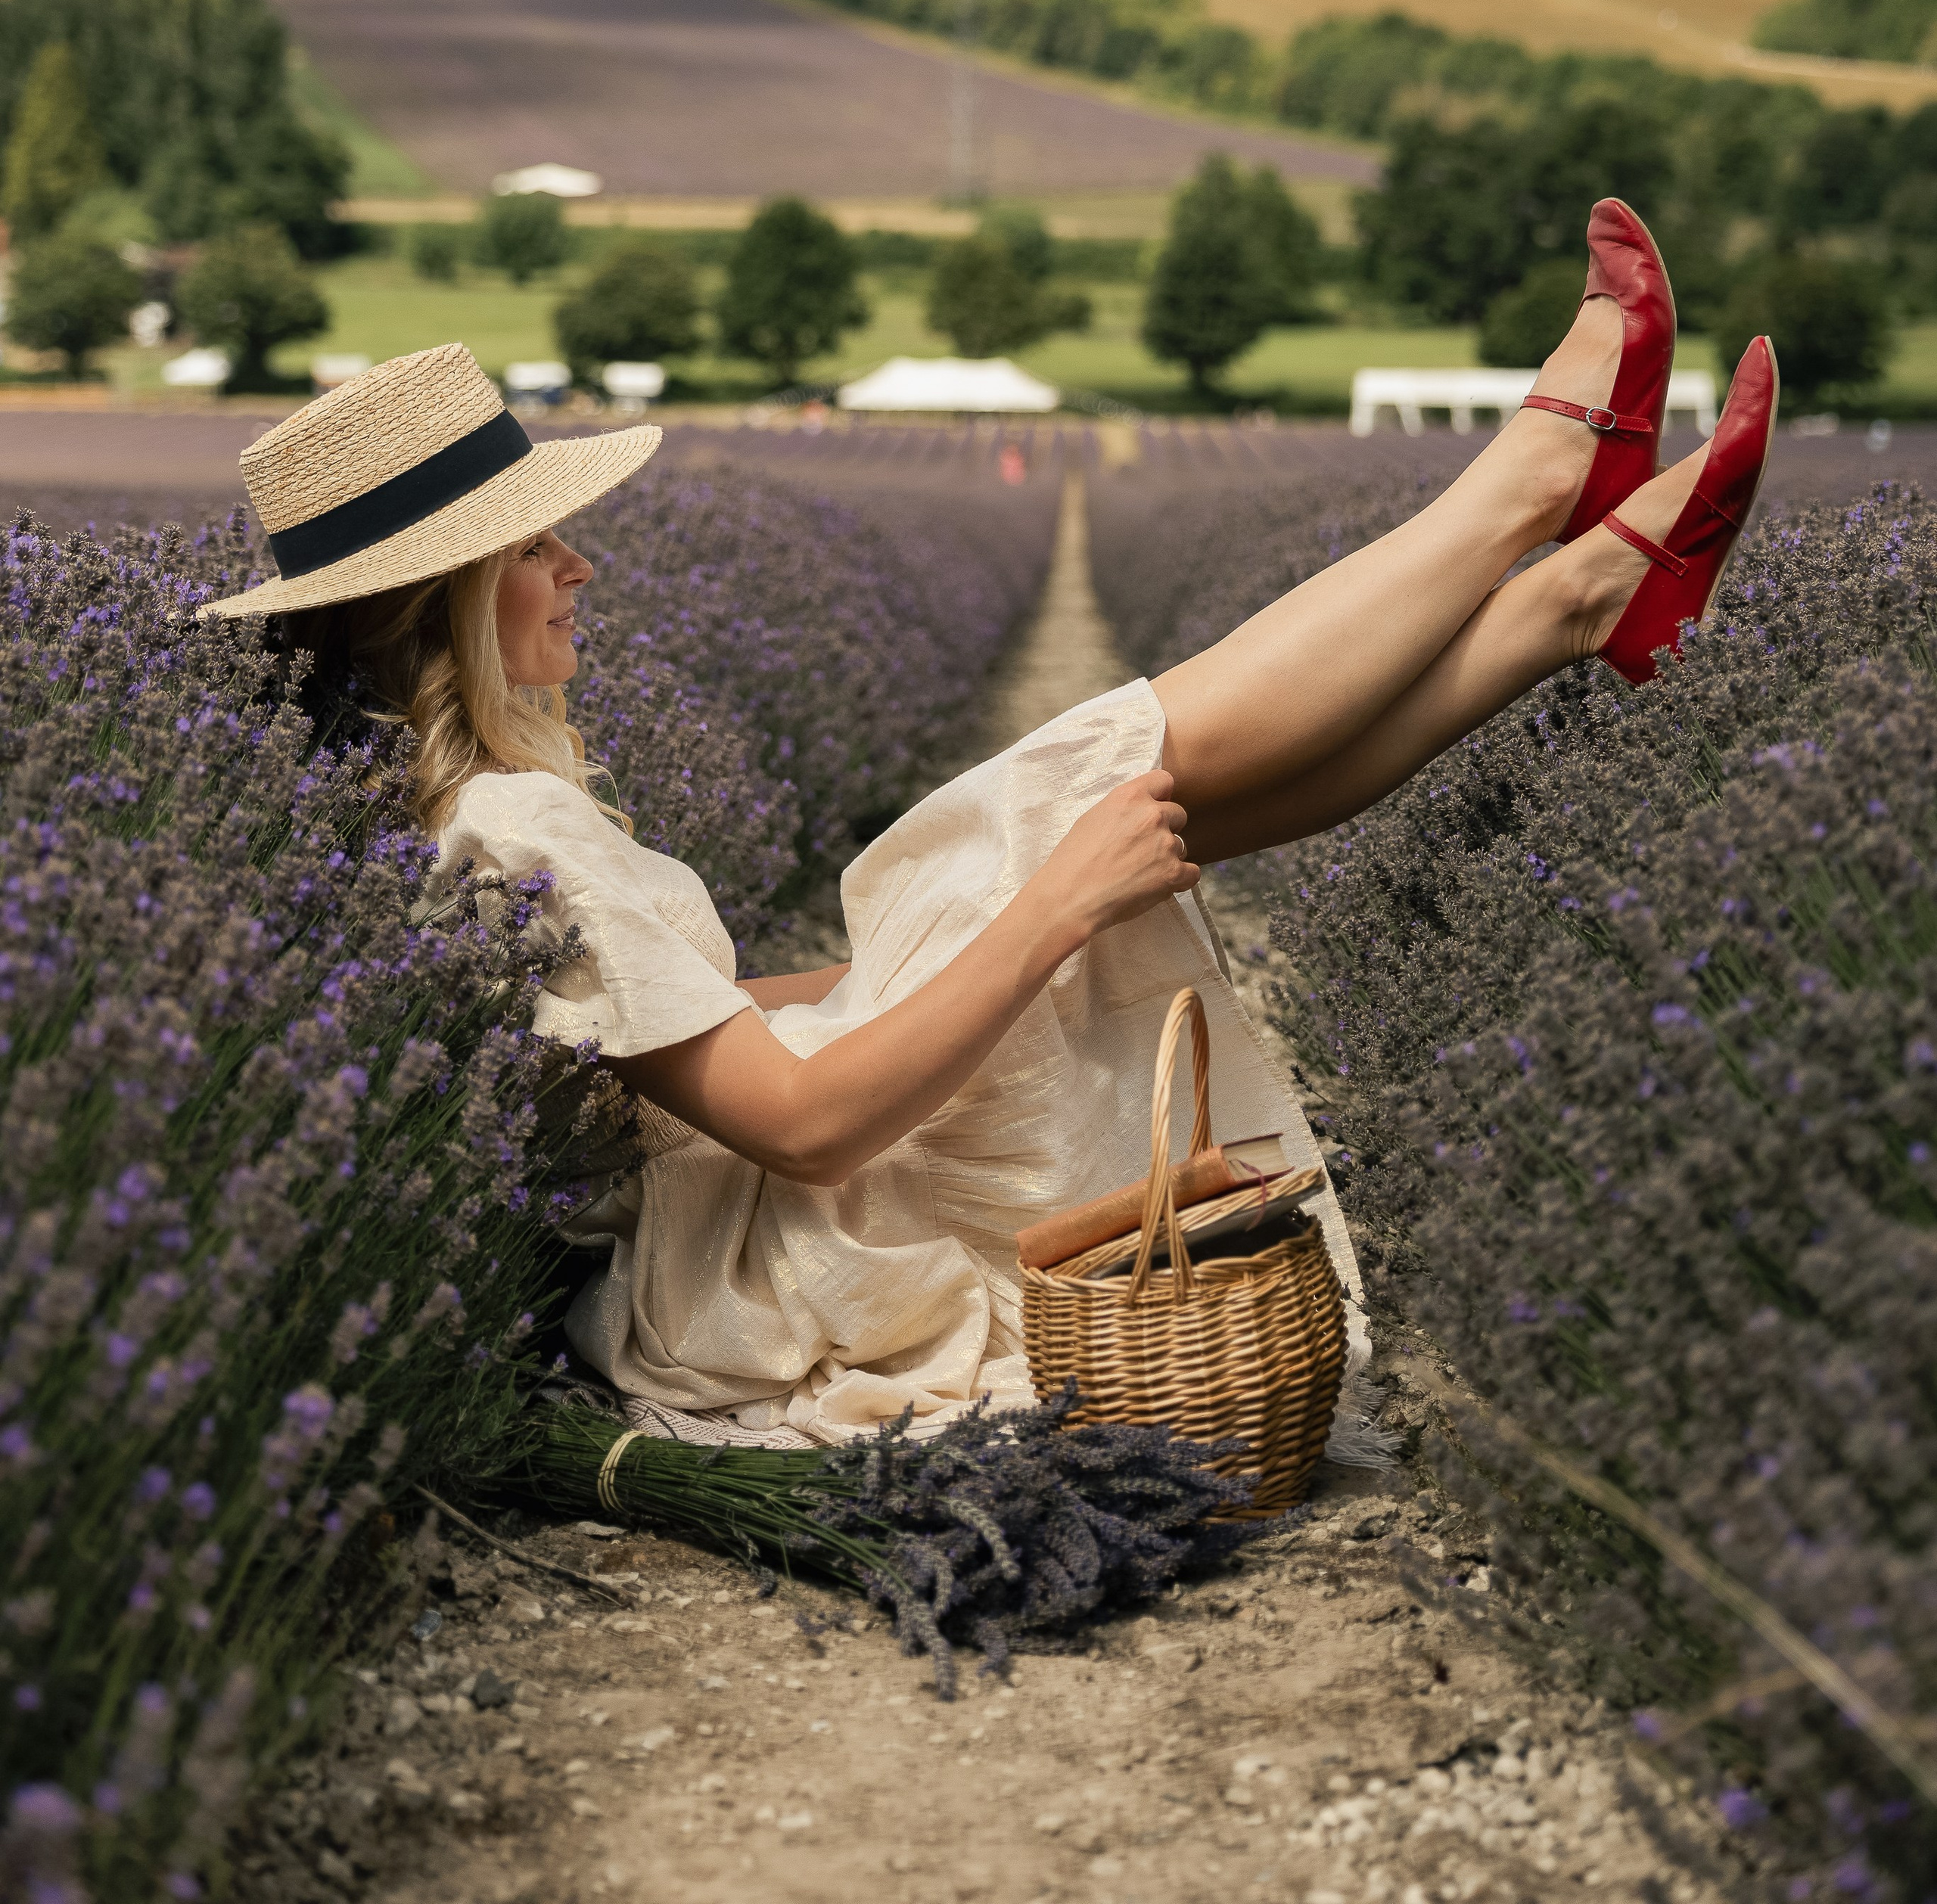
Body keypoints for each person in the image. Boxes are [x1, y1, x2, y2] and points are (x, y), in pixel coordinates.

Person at [203, 206, 1777, 1450]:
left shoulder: (454, 822)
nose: (581, 573)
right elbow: (805, 1131)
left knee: (1039, 829)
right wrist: (1041, 914)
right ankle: (1539, 502)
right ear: (454, 601)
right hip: (769, 1266)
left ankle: (1566, 593)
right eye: (543, 547)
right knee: (1047, 811)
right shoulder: (510, 828)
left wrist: (868, 974)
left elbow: (640, 1050)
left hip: (727, 1233)